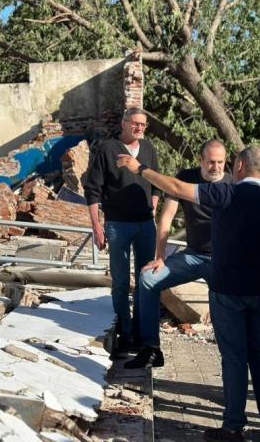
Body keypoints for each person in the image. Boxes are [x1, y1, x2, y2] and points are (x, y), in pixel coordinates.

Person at [117, 146, 260, 442]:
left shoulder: (225, 193)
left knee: (234, 357)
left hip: (228, 289)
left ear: (237, 166)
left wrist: (139, 169)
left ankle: (233, 427)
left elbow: (173, 187)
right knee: (259, 354)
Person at [124, 139, 231, 369]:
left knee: (224, 315)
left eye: (220, 162)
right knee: (149, 279)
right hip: (193, 255)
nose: (216, 167)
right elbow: (166, 217)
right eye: (211, 162)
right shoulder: (185, 177)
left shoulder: (233, 184)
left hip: (223, 261)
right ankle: (151, 349)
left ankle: (231, 366)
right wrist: (160, 256)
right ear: (201, 161)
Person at [84, 107, 160, 355]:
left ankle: (141, 331)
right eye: (135, 124)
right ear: (124, 123)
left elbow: (157, 184)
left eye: (143, 125)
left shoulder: (149, 149)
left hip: (146, 224)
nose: (139, 128)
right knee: (120, 281)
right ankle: (125, 333)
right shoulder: (107, 149)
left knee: (145, 280)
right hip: (117, 224)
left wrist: (154, 209)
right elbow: (93, 189)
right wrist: (97, 225)